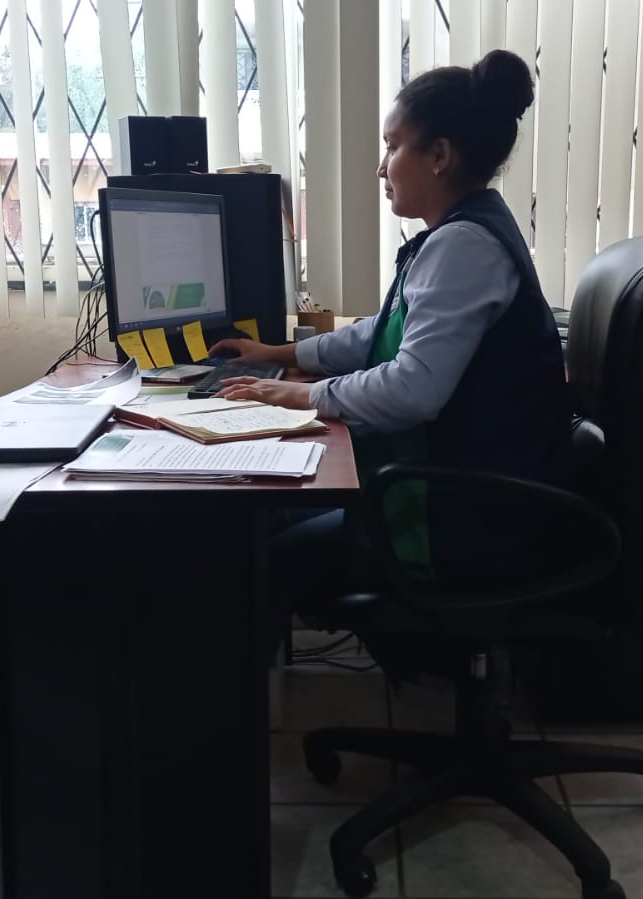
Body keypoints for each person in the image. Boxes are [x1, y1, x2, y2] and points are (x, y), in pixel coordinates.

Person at [211, 49, 572, 632]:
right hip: (462, 495)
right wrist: (278, 356)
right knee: (273, 512)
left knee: (261, 554)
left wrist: (298, 395)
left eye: (392, 146)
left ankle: (233, 687)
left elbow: (412, 389)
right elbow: (379, 335)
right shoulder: (461, 234)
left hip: (462, 522)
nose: (382, 168)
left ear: (439, 156)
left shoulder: (464, 247)